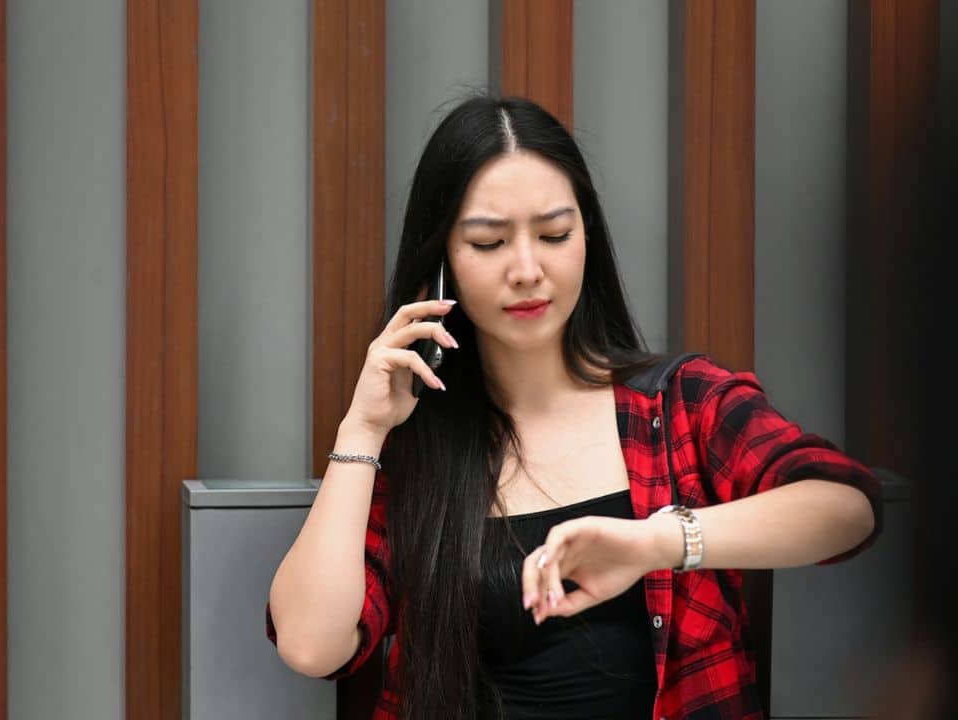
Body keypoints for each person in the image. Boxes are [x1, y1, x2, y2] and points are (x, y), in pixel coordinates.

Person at [264, 95, 882, 720]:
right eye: (488, 243)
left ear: (587, 236)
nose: (528, 269)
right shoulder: (417, 448)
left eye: (555, 234)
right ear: (442, 263)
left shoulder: (680, 403)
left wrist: (659, 542)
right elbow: (312, 646)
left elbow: (846, 510)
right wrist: (362, 427)